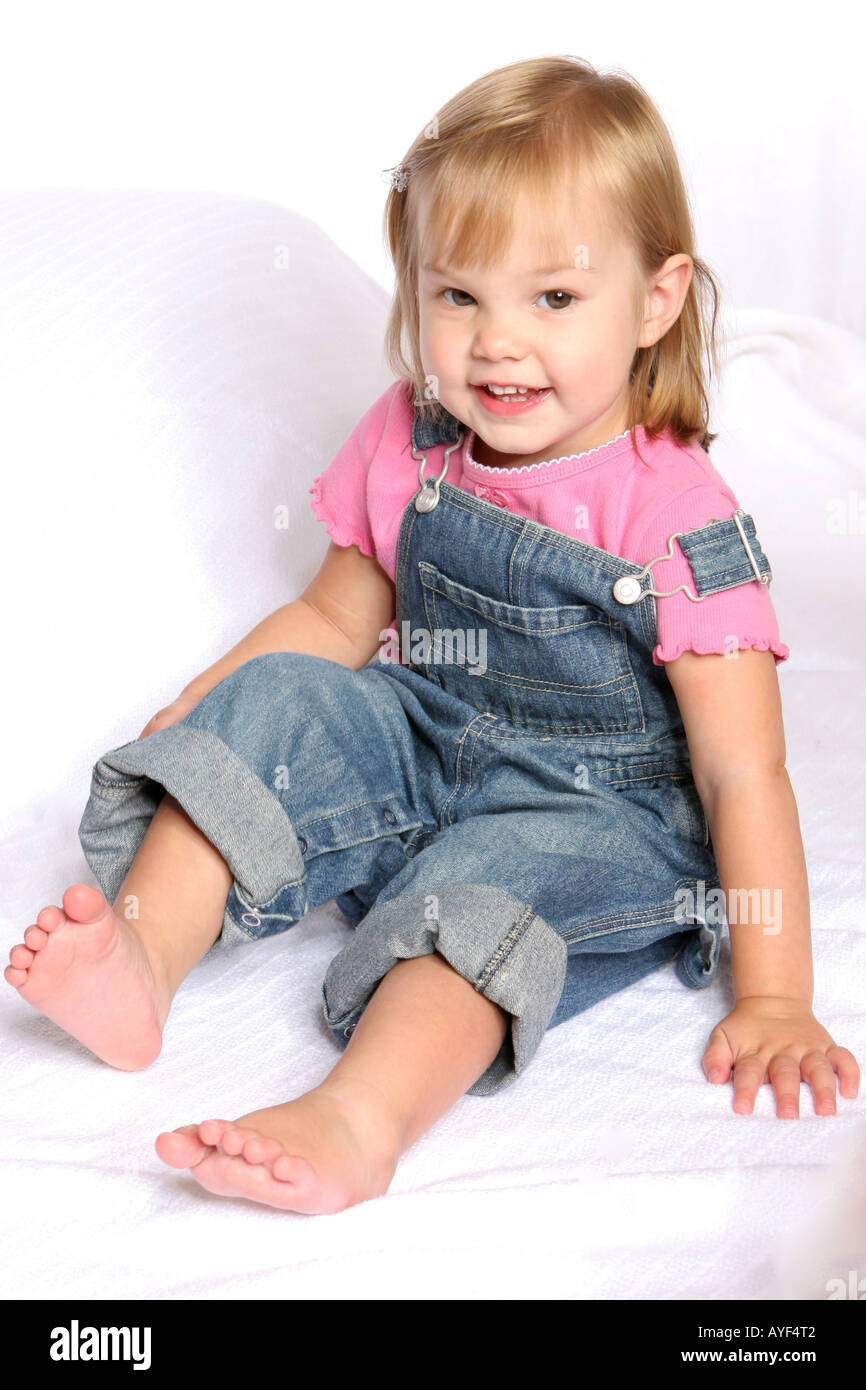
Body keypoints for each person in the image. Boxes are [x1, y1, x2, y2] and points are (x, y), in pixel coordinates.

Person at [5, 55, 859, 1215]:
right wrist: (213, 711)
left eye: (552, 299)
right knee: (275, 703)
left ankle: (357, 1117)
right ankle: (142, 962)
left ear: (653, 300)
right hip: (429, 736)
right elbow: (330, 617)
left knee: (480, 896)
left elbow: (740, 767)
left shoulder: (675, 517)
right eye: (457, 295)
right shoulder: (410, 438)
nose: (495, 344)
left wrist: (771, 995)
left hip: (592, 811)